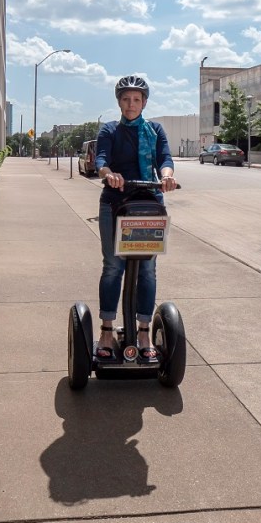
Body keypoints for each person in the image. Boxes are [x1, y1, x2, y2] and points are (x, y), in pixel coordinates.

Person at [94, 75, 177, 362]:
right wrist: (109, 175)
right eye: (126, 99)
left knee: (147, 270)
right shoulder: (110, 130)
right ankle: (106, 330)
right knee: (113, 267)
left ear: (144, 103)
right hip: (115, 204)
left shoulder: (155, 130)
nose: (131, 104)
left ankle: (143, 332)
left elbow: (165, 158)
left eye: (136, 99)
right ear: (119, 101)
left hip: (148, 205)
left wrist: (167, 177)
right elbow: (101, 160)